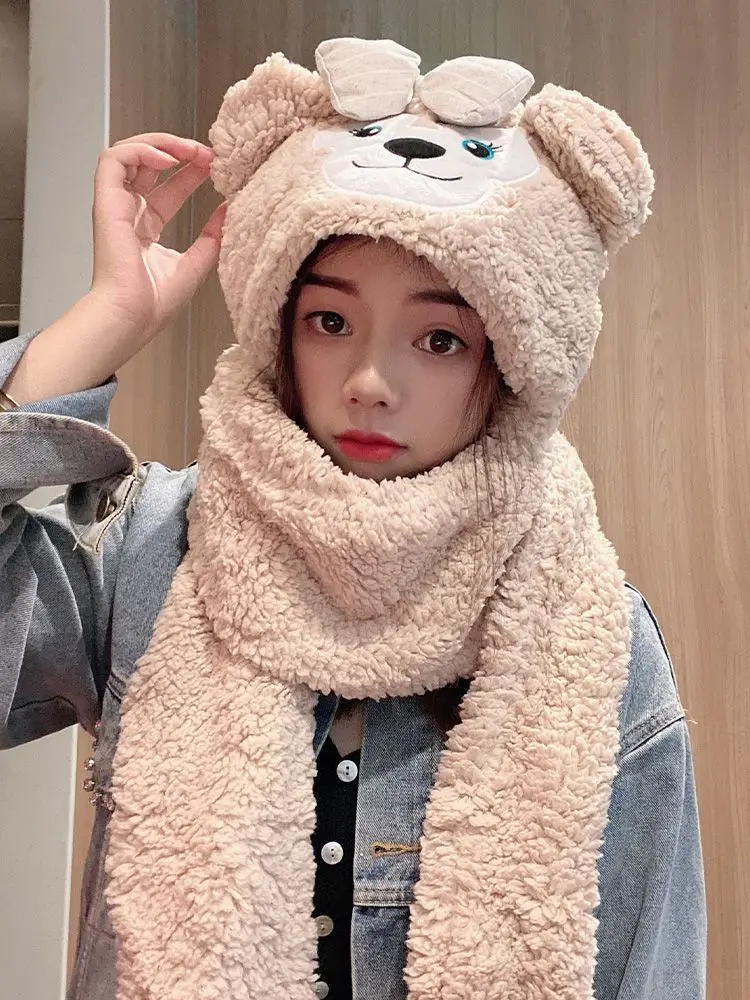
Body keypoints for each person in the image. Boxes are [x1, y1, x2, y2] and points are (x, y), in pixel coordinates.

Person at [0, 38, 706, 1000]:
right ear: (279, 326)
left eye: (441, 338)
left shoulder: (593, 638)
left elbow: (652, 970)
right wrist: (100, 326)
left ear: (511, 361)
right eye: (330, 322)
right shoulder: (152, 554)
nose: (371, 382)